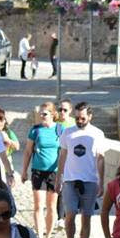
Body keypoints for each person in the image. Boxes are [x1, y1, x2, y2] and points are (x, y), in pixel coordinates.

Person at [55, 102, 105, 238]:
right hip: (70, 180)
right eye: (77, 117)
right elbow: (62, 155)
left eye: (83, 118)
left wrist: (101, 181)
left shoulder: (97, 133)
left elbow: (100, 158)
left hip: (89, 180)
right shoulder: (67, 132)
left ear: (90, 117)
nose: (79, 120)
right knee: (69, 215)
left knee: (87, 217)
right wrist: (58, 177)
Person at [21, 102, 64, 238]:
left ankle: (49, 236)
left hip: (54, 172)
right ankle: (39, 236)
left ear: (52, 114)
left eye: (44, 113)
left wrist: (64, 173)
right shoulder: (35, 130)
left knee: (52, 206)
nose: (41, 115)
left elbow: (64, 152)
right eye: (40, 113)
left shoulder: (60, 129)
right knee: (38, 205)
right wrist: (24, 171)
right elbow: (27, 152)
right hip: (38, 171)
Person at [53, 98, 73, 230]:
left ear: (70, 111)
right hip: (56, 161)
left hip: (70, 161)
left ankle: (68, 215)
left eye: (65, 110)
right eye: (59, 109)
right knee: (59, 189)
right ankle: (60, 217)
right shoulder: (55, 124)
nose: (62, 112)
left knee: (68, 188)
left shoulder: (72, 124)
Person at [0, 106, 20, 172]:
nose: (3, 122)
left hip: (7, 169)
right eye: (0, 120)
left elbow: (17, 147)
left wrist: (8, 140)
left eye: (4, 119)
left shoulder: (8, 132)